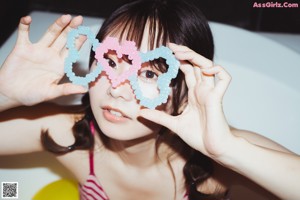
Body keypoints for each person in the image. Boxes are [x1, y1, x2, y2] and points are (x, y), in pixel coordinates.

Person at [0, 0, 299, 199]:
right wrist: (5, 95)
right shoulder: (74, 138)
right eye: (111, 63)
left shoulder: (215, 166)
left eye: (149, 74)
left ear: (187, 89)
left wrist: (228, 149)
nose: (117, 89)